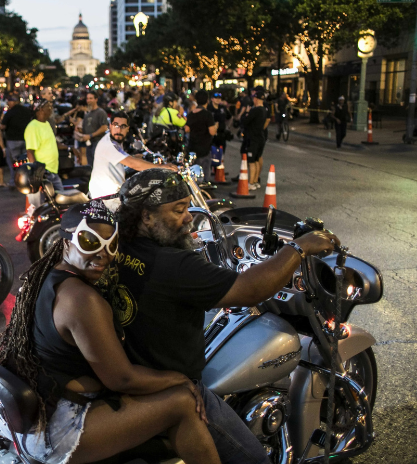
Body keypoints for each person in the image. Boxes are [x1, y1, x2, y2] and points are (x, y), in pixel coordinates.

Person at [114, 169, 339, 464]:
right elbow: (248, 289)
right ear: (146, 217)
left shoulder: (119, 246)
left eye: (189, 208)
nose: (188, 218)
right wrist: (299, 248)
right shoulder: (173, 265)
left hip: (135, 373)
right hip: (173, 384)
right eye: (178, 210)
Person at [0, 201, 220, 464]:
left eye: (112, 244)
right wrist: (181, 379)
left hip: (40, 416)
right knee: (182, 401)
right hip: (59, 430)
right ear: (65, 240)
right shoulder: (81, 299)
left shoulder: (46, 276)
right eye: (90, 241)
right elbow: (122, 379)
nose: (103, 254)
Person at [89, 112, 176, 211]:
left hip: (113, 193)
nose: (119, 129)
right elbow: (132, 163)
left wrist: (135, 157)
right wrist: (161, 167)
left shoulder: (113, 140)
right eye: (116, 125)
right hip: (107, 197)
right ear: (110, 126)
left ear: (127, 129)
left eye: (123, 126)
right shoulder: (108, 144)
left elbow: (123, 157)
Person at [24, 99, 64, 207]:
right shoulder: (33, 127)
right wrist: (37, 173)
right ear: (40, 110)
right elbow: (30, 151)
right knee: (41, 207)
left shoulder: (46, 124)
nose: (51, 109)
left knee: (62, 203)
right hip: (43, 174)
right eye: (49, 107)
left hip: (52, 172)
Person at [240, 87, 270, 190]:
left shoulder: (255, 110)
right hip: (261, 137)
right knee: (257, 159)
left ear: (256, 99)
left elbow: (245, 121)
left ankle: (251, 183)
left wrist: (247, 113)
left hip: (253, 139)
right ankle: (256, 181)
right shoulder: (264, 110)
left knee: (251, 161)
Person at [185, 89, 218, 179]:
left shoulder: (192, 114)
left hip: (192, 147)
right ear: (207, 100)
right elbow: (212, 131)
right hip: (204, 148)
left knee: (193, 174)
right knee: (204, 175)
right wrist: (215, 126)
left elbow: (187, 129)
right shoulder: (207, 114)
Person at [0, 95, 32, 177]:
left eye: (9, 101)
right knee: (26, 161)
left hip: (13, 140)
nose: (8, 103)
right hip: (26, 139)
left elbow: (2, 126)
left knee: (14, 162)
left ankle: (15, 180)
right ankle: (27, 178)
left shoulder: (10, 112)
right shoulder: (26, 111)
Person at [81, 91, 110, 165]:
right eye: (87, 98)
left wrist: (90, 135)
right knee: (91, 165)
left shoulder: (101, 112)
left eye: (91, 98)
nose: (88, 100)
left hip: (98, 143)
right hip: (89, 144)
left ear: (96, 99)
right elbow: (84, 129)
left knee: (99, 164)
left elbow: (104, 127)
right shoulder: (87, 115)